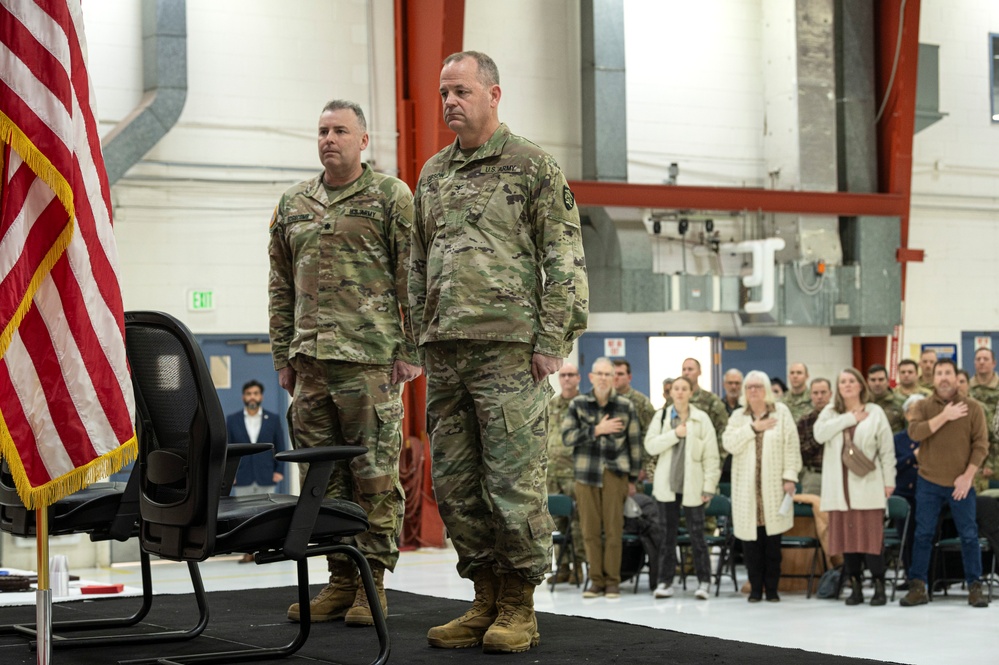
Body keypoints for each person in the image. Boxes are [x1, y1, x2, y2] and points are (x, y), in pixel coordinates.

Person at [411, 51, 588, 653]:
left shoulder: (533, 166)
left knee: (512, 484)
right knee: (458, 486)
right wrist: (415, 341)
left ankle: (519, 605)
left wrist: (553, 341)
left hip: (510, 352)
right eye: (443, 93)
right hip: (446, 354)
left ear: (493, 94)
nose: (449, 102)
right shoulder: (433, 174)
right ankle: (483, 598)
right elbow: (416, 263)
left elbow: (564, 258)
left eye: (460, 90)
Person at [268, 99, 421, 626]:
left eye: (339, 131)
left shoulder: (389, 197)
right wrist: (282, 355)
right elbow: (281, 285)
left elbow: (413, 276)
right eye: (322, 131)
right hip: (309, 365)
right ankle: (339, 578)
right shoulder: (293, 203)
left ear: (364, 140)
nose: (328, 139)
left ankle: (372, 582)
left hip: (369, 363)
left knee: (373, 477)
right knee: (321, 480)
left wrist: (411, 349)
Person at [900, 359, 990, 608]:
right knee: (923, 535)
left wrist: (968, 475)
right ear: (933, 378)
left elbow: (981, 445)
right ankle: (918, 587)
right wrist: (945, 416)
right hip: (928, 481)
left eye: (948, 373)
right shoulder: (922, 406)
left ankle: (975, 586)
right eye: (939, 373)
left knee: (969, 536)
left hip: (961, 483)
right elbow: (915, 433)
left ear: (956, 376)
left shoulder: (973, 408)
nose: (943, 377)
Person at [813, 368, 896, 606]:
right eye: (842, 382)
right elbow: (819, 434)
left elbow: (887, 450)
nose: (847, 385)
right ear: (838, 388)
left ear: (860, 385)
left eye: (851, 381)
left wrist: (889, 481)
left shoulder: (875, 412)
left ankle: (878, 586)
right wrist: (850, 418)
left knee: (871, 540)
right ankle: (856, 587)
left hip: (868, 484)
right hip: (840, 489)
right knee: (848, 541)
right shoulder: (830, 412)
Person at [562, 357, 641, 600]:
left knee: (614, 530)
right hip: (586, 475)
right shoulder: (578, 404)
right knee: (590, 530)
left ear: (614, 378)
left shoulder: (626, 406)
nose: (605, 378)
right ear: (591, 377)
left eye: (609, 374)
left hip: (615, 475)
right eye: (600, 374)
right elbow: (567, 437)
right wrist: (596, 430)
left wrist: (633, 479)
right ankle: (595, 581)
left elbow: (635, 445)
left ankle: (613, 582)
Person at [723, 370, 802, 602]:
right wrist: (753, 428)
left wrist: (790, 476)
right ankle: (756, 589)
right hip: (746, 491)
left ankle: (773, 589)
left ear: (766, 389)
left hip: (773, 488)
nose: (753, 391)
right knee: (750, 544)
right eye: (749, 387)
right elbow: (729, 443)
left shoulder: (782, 413)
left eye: (758, 386)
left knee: (772, 544)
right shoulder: (738, 417)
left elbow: (791, 446)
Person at [644, 376, 720, 600]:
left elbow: (712, 456)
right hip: (666, 488)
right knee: (667, 537)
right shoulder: (662, 417)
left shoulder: (701, 419)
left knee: (698, 535)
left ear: (691, 392)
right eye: (675, 388)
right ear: (670, 392)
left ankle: (704, 581)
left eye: (683, 388)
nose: (679, 392)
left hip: (694, 488)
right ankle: (665, 582)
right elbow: (650, 446)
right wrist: (674, 435)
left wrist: (709, 487)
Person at [226, 379, 288, 562]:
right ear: (243, 397)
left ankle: (267, 549)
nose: (252, 396)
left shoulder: (273, 419)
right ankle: (248, 552)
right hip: (242, 476)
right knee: (244, 516)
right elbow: (228, 449)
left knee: (267, 515)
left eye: (255, 393)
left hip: (266, 474)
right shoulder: (233, 420)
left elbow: (280, 446)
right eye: (248, 393)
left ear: (260, 396)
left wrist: (279, 470)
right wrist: (231, 474)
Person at [546, 363, 586, 584]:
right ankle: (562, 566)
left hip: (574, 472)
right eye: (563, 375)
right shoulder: (551, 405)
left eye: (571, 375)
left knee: (578, 522)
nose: (567, 379)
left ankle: (579, 567)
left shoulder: (584, 405)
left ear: (578, 378)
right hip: (552, 472)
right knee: (556, 522)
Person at [614, 359, 657, 483]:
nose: (616, 377)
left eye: (620, 374)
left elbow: (650, 435)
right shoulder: (603, 400)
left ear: (629, 377)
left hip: (633, 465)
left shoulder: (641, 402)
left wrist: (644, 466)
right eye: (613, 374)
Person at [969, 348, 999, 490]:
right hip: (972, 450)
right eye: (978, 359)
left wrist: (991, 462)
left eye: (985, 359)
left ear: (994, 363)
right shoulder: (966, 388)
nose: (981, 362)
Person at [796, 378, 832, 495]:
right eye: (815, 393)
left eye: (823, 392)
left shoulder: (840, 418)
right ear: (810, 395)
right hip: (813, 475)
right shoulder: (805, 421)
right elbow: (800, 452)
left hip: (836, 474)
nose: (819, 396)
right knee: (810, 512)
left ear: (830, 394)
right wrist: (820, 438)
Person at [867, 364, 907, 434]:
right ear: (868, 382)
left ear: (888, 381)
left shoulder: (901, 401)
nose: (877, 383)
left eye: (881, 379)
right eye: (873, 380)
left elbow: (909, 430)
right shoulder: (863, 402)